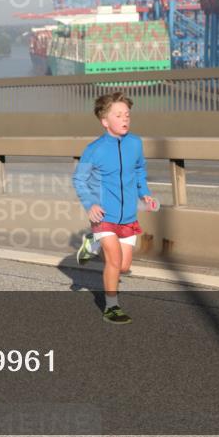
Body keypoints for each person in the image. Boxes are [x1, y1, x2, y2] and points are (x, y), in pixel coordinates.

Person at [72, 91, 156, 325]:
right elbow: (79, 179)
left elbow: (140, 170)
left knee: (125, 266)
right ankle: (112, 307)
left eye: (127, 114)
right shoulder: (95, 149)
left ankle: (93, 243)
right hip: (104, 215)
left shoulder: (135, 144)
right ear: (105, 121)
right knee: (114, 262)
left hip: (128, 215)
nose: (125, 119)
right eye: (118, 115)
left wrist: (145, 193)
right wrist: (90, 205)